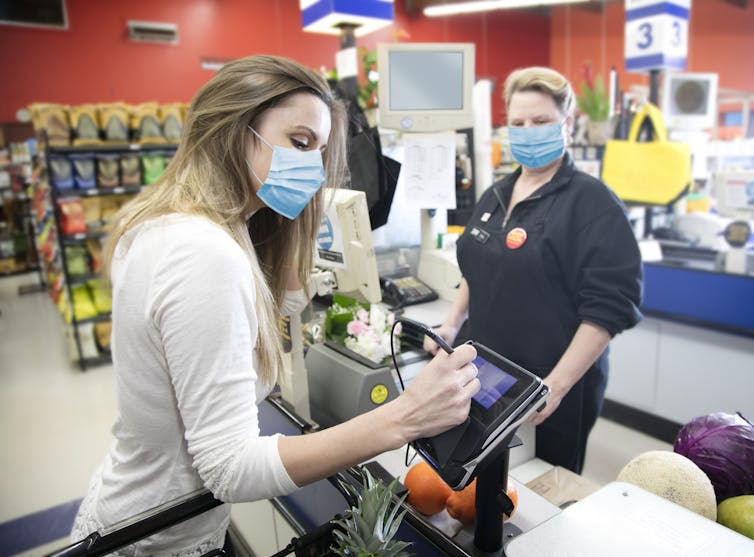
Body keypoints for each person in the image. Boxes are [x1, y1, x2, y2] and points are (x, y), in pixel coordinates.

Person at [70, 55, 480, 555]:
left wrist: (295, 219)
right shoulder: (205, 254)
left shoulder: (179, 224)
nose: (311, 166)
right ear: (234, 130)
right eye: (300, 143)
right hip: (153, 540)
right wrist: (404, 417)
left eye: (321, 152)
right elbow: (230, 470)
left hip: (135, 513)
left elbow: (281, 307)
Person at [425, 66, 642, 474]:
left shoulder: (593, 204)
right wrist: (453, 322)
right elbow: (478, 264)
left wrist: (555, 387)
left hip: (548, 383)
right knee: (480, 479)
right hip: (486, 370)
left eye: (540, 121)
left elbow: (608, 309)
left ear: (567, 122)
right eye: (518, 122)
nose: (528, 131)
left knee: (540, 489)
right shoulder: (496, 193)